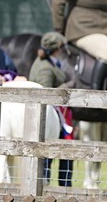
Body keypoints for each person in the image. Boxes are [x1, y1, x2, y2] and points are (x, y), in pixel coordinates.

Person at [29, 31, 75, 187]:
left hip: (55, 117)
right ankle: (52, 187)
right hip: (48, 119)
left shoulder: (49, 62)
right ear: (57, 48)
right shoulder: (45, 68)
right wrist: (66, 86)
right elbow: (46, 94)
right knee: (50, 155)